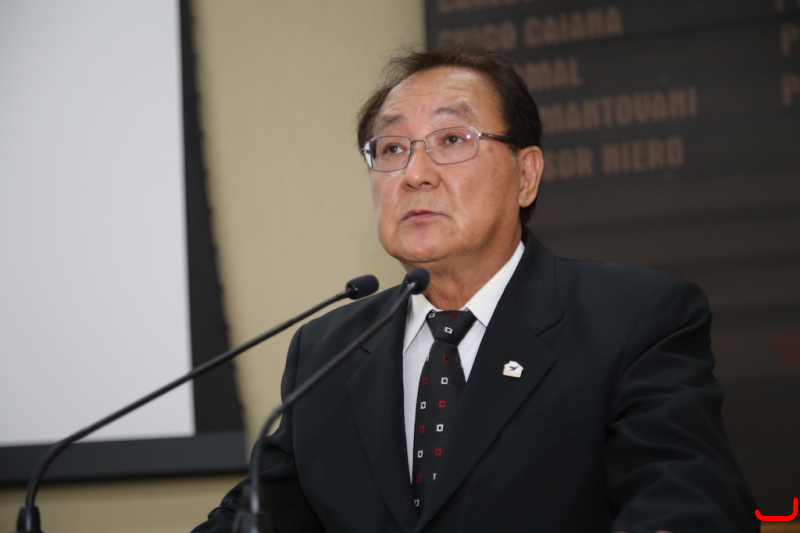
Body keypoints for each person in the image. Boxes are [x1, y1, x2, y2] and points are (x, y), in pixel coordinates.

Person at [193, 46, 758, 533]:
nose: (415, 173)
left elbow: (687, 504)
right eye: (391, 149)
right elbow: (258, 517)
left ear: (526, 175)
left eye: (451, 138)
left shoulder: (633, 318)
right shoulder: (327, 350)